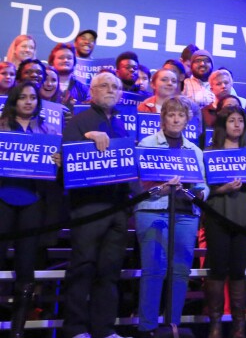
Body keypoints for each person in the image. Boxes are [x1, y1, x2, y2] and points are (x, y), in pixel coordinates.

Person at [61, 71, 131, 338]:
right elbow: (66, 162)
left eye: (116, 87)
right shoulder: (79, 121)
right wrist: (87, 141)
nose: (111, 90)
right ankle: (76, 329)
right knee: (83, 268)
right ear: (92, 91)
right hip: (88, 207)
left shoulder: (122, 125)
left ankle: (104, 329)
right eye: (105, 86)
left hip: (118, 208)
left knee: (110, 271)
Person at [134, 96, 208, 337]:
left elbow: (203, 186)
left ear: (188, 120)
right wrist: (159, 188)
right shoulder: (147, 144)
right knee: (154, 270)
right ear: (163, 118)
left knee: (180, 271)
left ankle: (172, 324)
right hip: (153, 210)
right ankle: (147, 327)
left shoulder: (194, 150)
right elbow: (137, 184)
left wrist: (198, 194)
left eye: (181, 115)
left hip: (186, 214)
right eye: (171, 114)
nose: (176, 119)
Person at [0, 82, 61, 338]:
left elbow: (53, 176)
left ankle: (17, 329)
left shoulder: (47, 131)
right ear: (13, 101)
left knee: (27, 264)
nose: (28, 101)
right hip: (2, 199)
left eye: (33, 98)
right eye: (22, 97)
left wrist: (58, 163)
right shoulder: (0, 128)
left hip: (33, 202)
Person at [204, 106, 246, 338]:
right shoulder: (209, 151)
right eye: (232, 120)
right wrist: (222, 189)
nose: (237, 125)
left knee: (238, 270)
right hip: (217, 213)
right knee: (217, 269)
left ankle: (239, 326)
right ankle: (215, 324)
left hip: (243, 214)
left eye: (240, 121)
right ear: (222, 124)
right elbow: (202, 188)